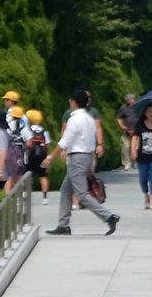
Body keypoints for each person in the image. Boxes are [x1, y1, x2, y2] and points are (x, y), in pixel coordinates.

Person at [44, 89, 119, 236]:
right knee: (66, 190)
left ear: (74, 102)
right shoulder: (89, 119)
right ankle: (63, 225)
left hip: (76, 157)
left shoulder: (74, 119)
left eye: (70, 100)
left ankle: (109, 217)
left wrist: (50, 157)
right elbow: (91, 141)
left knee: (82, 194)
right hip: (85, 156)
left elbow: (65, 141)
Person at [22, 109, 52, 205]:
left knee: (28, 176)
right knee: (43, 176)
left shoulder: (27, 130)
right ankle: (45, 198)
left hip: (30, 156)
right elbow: (47, 145)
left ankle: (26, 195)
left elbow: (26, 143)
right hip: (42, 157)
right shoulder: (44, 131)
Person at [117, 94, 137, 171]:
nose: (132, 100)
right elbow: (119, 118)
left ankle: (134, 162)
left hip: (136, 131)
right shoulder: (123, 108)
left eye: (133, 98)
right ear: (127, 100)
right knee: (126, 147)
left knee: (136, 147)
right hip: (126, 130)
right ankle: (126, 164)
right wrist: (122, 126)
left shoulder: (138, 107)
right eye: (130, 99)